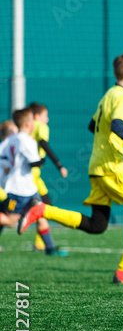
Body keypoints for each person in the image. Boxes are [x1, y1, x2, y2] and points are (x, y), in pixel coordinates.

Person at [19, 53, 123, 281]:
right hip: (113, 166)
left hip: (97, 167)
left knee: (97, 225)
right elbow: (117, 127)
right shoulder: (122, 97)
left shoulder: (108, 95)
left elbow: (94, 126)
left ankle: (41, 210)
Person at [0, 110, 67, 254]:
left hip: (29, 187)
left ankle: (50, 248)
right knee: (11, 221)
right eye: (32, 122)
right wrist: (42, 160)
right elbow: (34, 162)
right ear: (27, 124)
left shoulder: (10, 140)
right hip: (19, 189)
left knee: (41, 213)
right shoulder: (27, 140)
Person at [28, 102, 69, 250]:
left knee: (44, 206)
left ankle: (40, 243)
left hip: (31, 175)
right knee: (42, 207)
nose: (48, 119)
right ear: (36, 116)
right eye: (45, 116)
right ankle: (43, 244)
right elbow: (44, 143)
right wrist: (59, 165)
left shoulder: (27, 127)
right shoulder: (41, 126)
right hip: (31, 175)